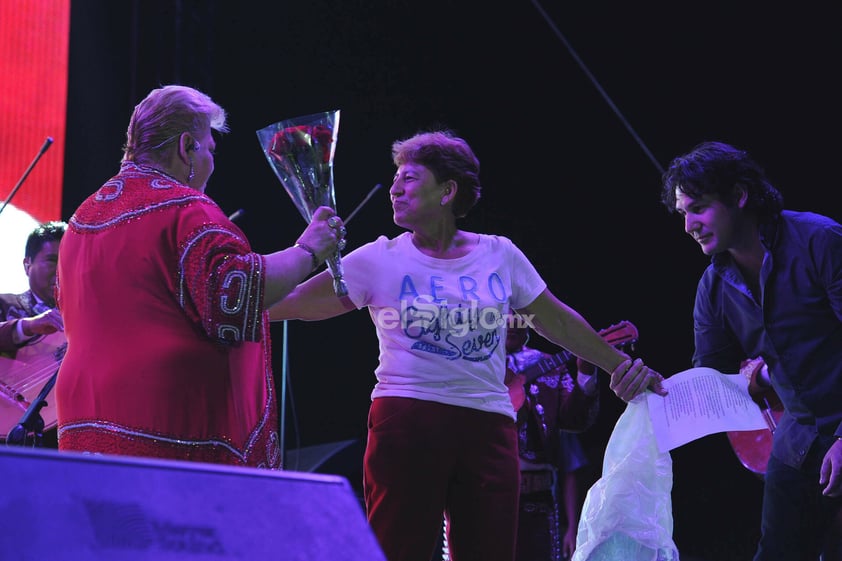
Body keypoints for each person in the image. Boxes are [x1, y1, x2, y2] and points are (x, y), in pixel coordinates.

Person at [269, 128, 663, 561]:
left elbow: (557, 322)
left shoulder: (499, 255)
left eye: (410, 177)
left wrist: (620, 367)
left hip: (488, 426)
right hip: (407, 419)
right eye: (395, 177)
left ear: (447, 191)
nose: (395, 188)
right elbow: (293, 304)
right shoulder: (379, 258)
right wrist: (228, 302)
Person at [54, 85, 344, 467]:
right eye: (209, 149)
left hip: (83, 421)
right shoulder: (186, 211)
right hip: (164, 423)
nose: (211, 161)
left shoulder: (84, 216)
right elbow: (238, 292)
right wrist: (308, 251)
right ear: (186, 146)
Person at [660, 140, 842, 561]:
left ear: (740, 196)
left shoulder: (820, 240)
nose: (689, 224)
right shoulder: (713, 286)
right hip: (799, 435)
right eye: (682, 212)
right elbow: (711, 377)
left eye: (698, 207)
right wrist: (650, 391)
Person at [505, 322, 599, 561]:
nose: (512, 324)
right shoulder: (471, 365)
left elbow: (575, 420)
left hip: (537, 501)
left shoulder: (548, 366)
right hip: (479, 494)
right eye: (504, 315)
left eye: (519, 317)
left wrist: (585, 372)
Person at [0, 221, 67, 447]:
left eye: (68, 259)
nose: (62, 268)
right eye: (52, 260)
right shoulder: (5, 304)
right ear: (27, 264)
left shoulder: (86, 319)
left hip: (58, 436)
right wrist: (29, 326)